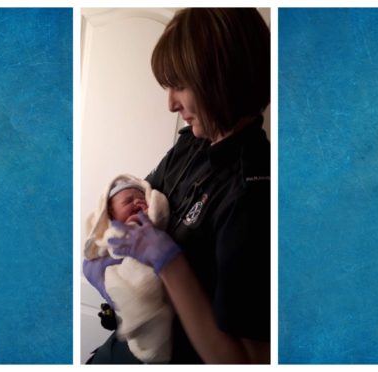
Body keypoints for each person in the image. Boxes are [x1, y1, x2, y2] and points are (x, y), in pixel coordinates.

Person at [84, 8, 270, 364]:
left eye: (179, 85)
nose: (171, 104)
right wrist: (107, 261)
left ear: (222, 77)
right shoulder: (191, 146)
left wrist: (170, 263)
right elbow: (133, 205)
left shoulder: (254, 194)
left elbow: (242, 361)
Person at [84, 175, 173, 363]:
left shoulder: (149, 226)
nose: (138, 202)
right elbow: (103, 249)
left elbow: (158, 230)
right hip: (122, 285)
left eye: (142, 198)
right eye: (128, 200)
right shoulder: (112, 231)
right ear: (110, 213)